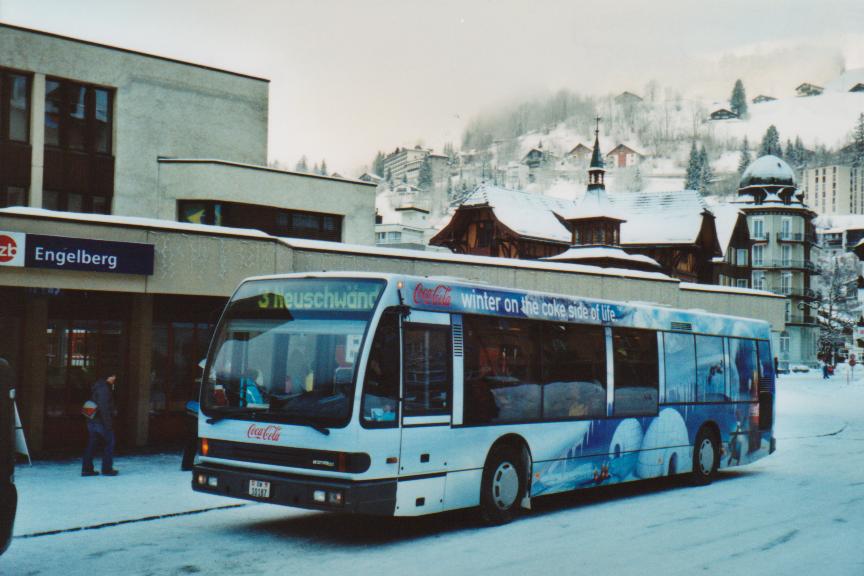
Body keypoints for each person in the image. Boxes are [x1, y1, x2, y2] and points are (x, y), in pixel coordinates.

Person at [82, 374, 119, 477]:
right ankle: (107, 469)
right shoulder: (104, 388)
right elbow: (104, 408)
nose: (114, 378)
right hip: (100, 421)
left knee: (92, 444)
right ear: (107, 377)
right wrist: (108, 424)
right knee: (110, 442)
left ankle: (86, 469)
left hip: (92, 420)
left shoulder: (97, 386)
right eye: (112, 376)